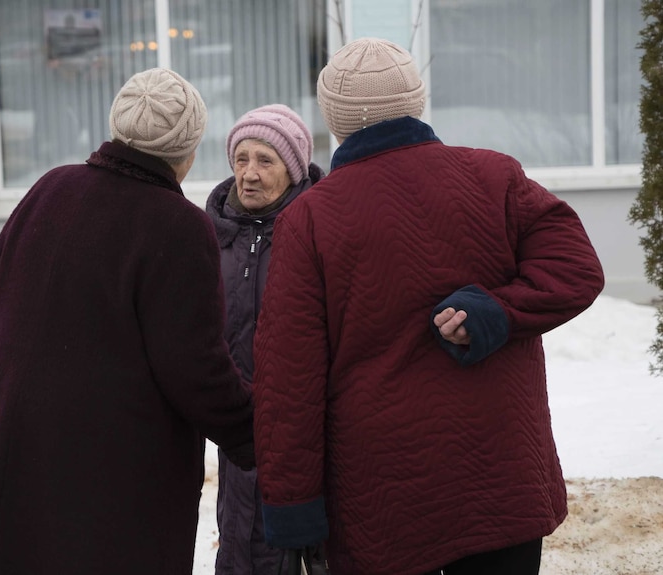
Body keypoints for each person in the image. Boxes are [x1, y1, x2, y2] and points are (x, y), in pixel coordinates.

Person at [251, 38, 605, 575]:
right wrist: (500, 310)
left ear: (335, 117)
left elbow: (288, 379)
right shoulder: (495, 176)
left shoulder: (309, 218)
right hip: (501, 478)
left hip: (382, 498)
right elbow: (575, 269)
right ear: (416, 99)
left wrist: (293, 507)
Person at [0, 68, 256, 575]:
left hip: (12, 448)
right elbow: (194, 368)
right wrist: (256, 431)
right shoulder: (178, 226)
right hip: (108, 473)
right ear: (188, 150)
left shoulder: (51, 187)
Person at [205, 104, 325, 575]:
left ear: (293, 170)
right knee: (240, 544)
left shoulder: (317, 232)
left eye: (265, 161)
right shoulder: (211, 238)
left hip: (305, 434)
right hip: (236, 432)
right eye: (241, 159)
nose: (248, 175)